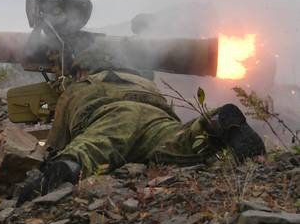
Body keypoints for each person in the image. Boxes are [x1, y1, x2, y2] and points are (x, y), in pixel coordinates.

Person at [17, 57, 265, 204]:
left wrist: (54, 157)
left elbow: (56, 142)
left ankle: (65, 170)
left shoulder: (80, 86)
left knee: (92, 148)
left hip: (111, 114)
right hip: (155, 115)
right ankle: (217, 121)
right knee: (180, 142)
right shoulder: (144, 81)